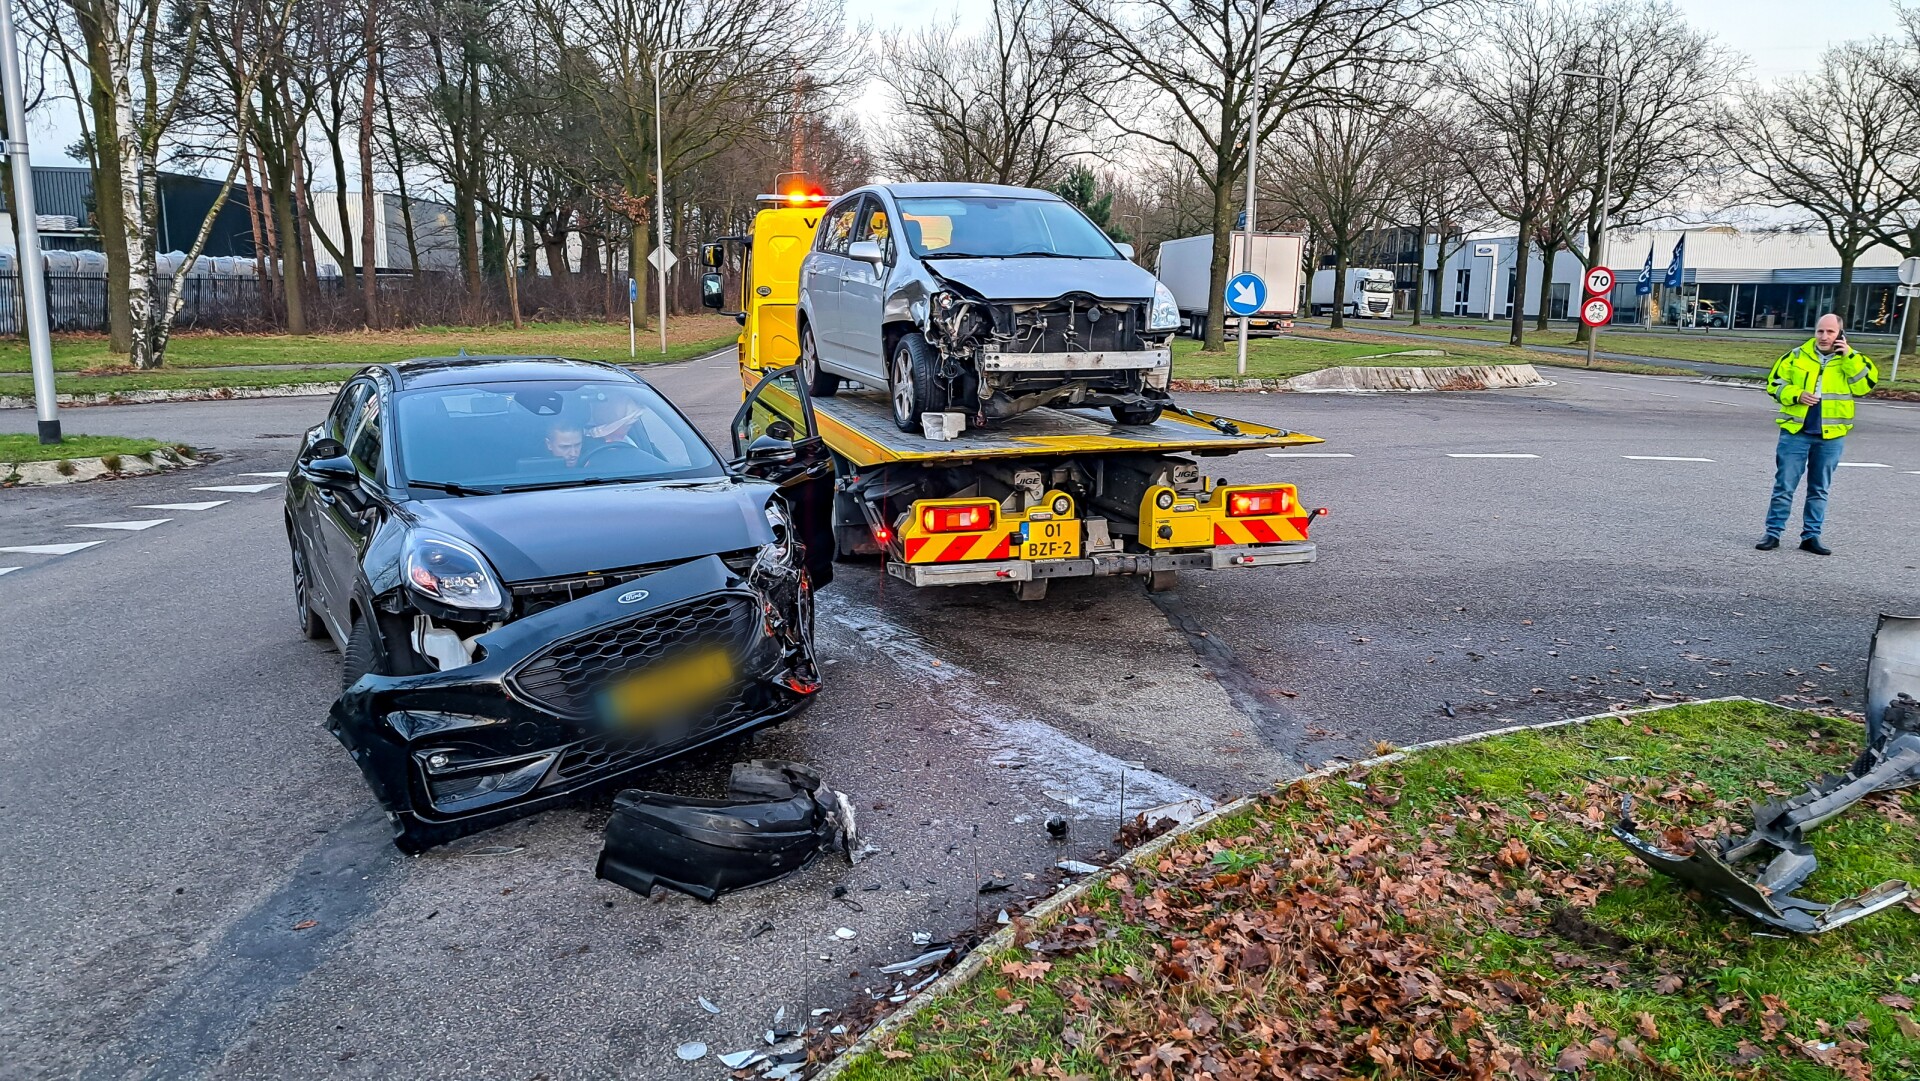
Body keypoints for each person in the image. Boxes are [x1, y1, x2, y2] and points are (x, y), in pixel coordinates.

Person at [1757, 313, 1878, 555]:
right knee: (1784, 486)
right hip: (1796, 431)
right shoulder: (1795, 356)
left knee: (1819, 488)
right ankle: (1773, 533)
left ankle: (1811, 536)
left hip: (1831, 436)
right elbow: (1774, 383)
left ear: (1840, 334)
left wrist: (1849, 357)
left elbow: (1865, 385)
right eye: (1820, 331)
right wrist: (1796, 394)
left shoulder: (1853, 359)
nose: (1824, 336)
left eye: (1831, 332)